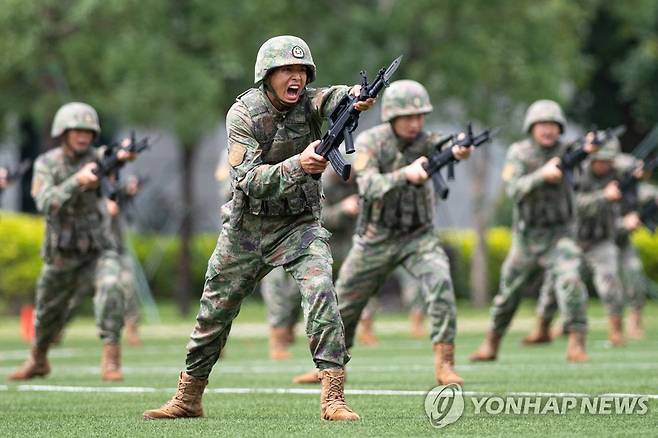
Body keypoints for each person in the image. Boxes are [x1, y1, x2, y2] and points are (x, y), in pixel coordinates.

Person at [143, 35, 375, 422]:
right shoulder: (243, 115)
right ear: (267, 75)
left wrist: (354, 95)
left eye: (301, 70)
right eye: (287, 69)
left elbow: (332, 98)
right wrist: (299, 164)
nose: (296, 77)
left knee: (321, 291)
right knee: (213, 314)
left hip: (298, 225)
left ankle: (333, 396)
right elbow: (247, 180)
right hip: (246, 229)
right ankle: (188, 397)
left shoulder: (309, 102)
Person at [323, 79, 472, 386]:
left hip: (419, 236)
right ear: (392, 116)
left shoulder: (428, 141)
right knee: (346, 304)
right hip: (375, 237)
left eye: (420, 116)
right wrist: (406, 174)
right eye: (409, 117)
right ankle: (331, 365)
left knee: (441, 283)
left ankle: (445, 363)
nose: (416, 123)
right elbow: (369, 186)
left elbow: (448, 144)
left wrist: (459, 150)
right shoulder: (370, 143)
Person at [9, 102, 135, 382]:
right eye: (77, 131)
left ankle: (111, 358)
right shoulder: (47, 163)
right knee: (47, 313)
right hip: (61, 254)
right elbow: (44, 202)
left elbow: (113, 156)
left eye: (88, 132)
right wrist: (77, 181)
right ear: (63, 133)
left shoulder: (99, 157)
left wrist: (124, 155)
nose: (83, 137)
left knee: (113, 286)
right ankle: (38, 359)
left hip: (98, 249)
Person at [470, 100, 593, 363]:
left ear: (560, 128)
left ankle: (576, 342)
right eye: (542, 125)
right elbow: (513, 189)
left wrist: (591, 147)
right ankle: (491, 343)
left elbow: (585, 160)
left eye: (552, 125)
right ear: (532, 127)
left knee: (571, 280)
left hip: (560, 235)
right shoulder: (519, 153)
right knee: (508, 293)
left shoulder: (568, 150)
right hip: (527, 237)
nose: (547, 130)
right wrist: (542, 175)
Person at [523, 136, 630, 346]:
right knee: (553, 285)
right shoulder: (577, 172)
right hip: (573, 238)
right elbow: (576, 204)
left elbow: (632, 165)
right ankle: (542, 329)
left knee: (610, 282)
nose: (605, 164)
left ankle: (616, 330)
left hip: (601, 239)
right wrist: (603, 196)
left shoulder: (617, 173)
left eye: (610, 160)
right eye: (601, 159)